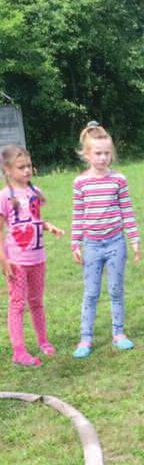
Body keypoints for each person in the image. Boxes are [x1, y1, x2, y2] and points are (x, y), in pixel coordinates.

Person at [71, 123, 141, 358]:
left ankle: (118, 333)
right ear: (87, 154)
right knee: (91, 292)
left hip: (115, 244)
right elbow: (78, 215)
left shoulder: (118, 180)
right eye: (98, 153)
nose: (103, 158)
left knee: (115, 290)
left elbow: (127, 212)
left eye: (106, 153)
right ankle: (86, 338)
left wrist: (134, 239)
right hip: (92, 245)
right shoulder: (80, 183)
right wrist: (75, 243)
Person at [0, 145, 64, 366]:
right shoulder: (5, 196)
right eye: (21, 167)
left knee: (36, 302)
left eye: (28, 166)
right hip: (17, 261)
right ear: (8, 170)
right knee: (17, 304)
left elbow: (33, 220)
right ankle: (19, 351)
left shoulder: (34, 192)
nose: (27, 170)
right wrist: (4, 259)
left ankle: (43, 341)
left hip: (38, 258)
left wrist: (49, 226)